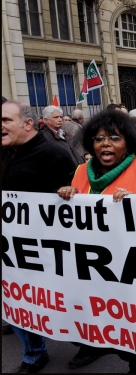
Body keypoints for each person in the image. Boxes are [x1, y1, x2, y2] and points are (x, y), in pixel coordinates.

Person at [56, 109, 136, 373]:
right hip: (93, 265)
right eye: (99, 138)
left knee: (133, 327)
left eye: (114, 138)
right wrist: (67, 192)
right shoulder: (81, 171)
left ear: (127, 142)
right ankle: (92, 346)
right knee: (91, 316)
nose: (105, 143)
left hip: (131, 267)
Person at [2, 100, 78, 373]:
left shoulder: (53, 154)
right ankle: (34, 353)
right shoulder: (7, 152)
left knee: (63, 302)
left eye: (5, 120)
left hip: (47, 250)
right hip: (13, 249)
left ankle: (89, 341)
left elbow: (77, 204)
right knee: (16, 300)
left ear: (28, 123)